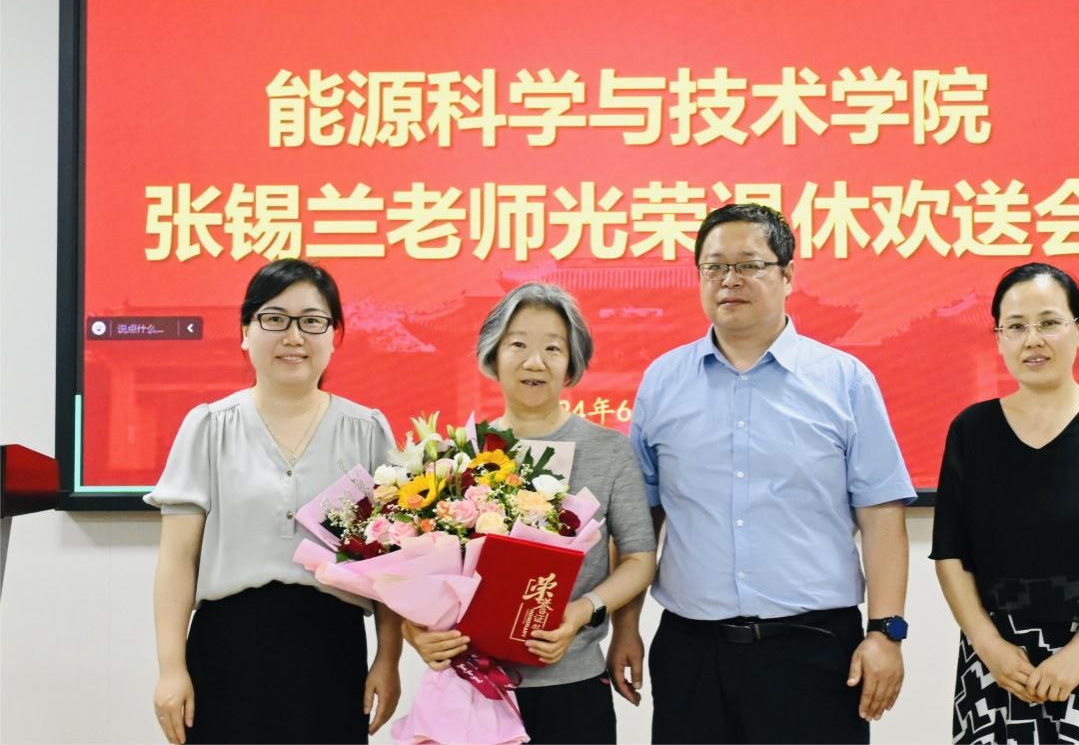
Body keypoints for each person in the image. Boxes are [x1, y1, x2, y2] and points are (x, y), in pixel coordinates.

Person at [609, 203, 916, 745]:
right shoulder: (663, 380)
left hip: (814, 649)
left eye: (749, 264)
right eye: (714, 266)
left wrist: (886, 633)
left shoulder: (843, 380)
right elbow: (641, 519)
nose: (729, 279)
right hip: (692, 650)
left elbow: (881, 514)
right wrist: (625, 626)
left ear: (787, 275)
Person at [147, 258, 402, 745]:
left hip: (332, 650)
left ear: (335, 336)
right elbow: (177, 560)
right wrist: (170, 669)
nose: (294, 336)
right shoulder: (209, 426)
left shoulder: (366, 430)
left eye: (312, 321)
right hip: (227, 648)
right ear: (246, 331)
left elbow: (390, 564)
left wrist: (388, 659)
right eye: (275, 319)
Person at [931, 262, 1079, 743]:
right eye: (1016, 327)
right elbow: (950, 554)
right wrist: (989, 646)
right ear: (998, 338)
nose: (1033, 340)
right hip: (1001, 665)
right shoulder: (971, 431)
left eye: (1049, 323)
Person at [404, 283, 657, 745]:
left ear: (572, 363)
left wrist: (582, 611)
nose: (534, 361)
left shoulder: (609, 450)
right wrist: (415, 631)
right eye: (518, 344)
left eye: (553, 348)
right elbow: (417, 572)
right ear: (493, 355)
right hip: (471, 688)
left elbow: (640, 557)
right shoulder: (459, 455)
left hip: (573, 686)